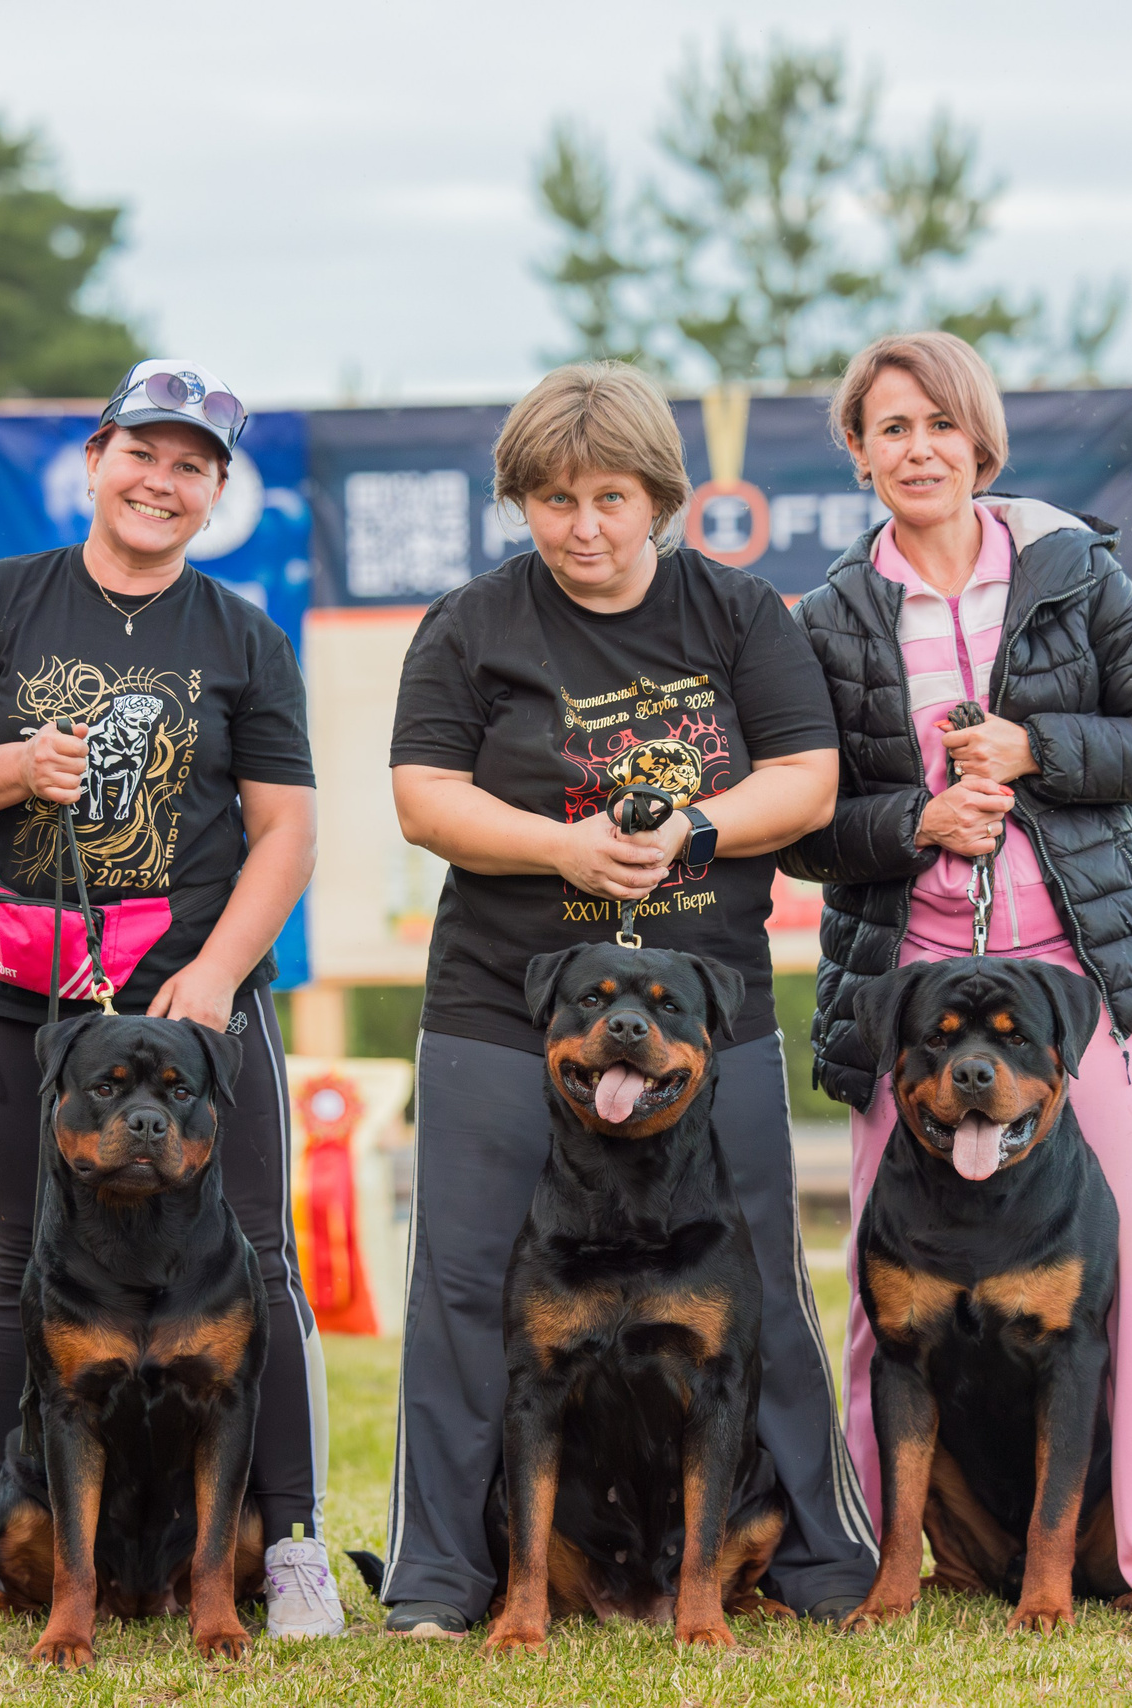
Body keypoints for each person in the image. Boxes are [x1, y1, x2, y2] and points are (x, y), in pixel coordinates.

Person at [381, 360, 875, 1638]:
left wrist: (691, 834)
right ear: (519, 504)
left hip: (709, 1015)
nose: (583, 526)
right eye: (551, 500)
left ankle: (817, 1557)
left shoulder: (737, 615)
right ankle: (439, 1574)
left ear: (660, 496)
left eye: (609, 496)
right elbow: (424, 798)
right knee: (464, 1279)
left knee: (757, 1273)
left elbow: (809, 778)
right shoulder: (470, 625)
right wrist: (565, 846)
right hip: (504, 1007)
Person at [781, 329, 1132, 1638]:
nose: (915, 447)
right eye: (887, 428)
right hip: (907, 989)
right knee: (884, 1295)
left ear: (980, 442)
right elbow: (811, 825)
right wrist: (914, 825)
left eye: (937, 424)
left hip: (1081, 975)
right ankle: (873, 1559)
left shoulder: (1074, 576)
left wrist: (1039, 746)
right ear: (858, 456)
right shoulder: (831, 619)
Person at [0, 359, 342, 1639]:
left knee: (260, 1262)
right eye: (144, 452)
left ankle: (292, 1537)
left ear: (215, 493)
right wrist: (12, 765)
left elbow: (286, 834)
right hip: (32, 999)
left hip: (195, 1006)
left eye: (192, 465)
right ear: (96, 458)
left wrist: (211, 980)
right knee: (19, 1268)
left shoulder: (243, 636)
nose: (162, 480)